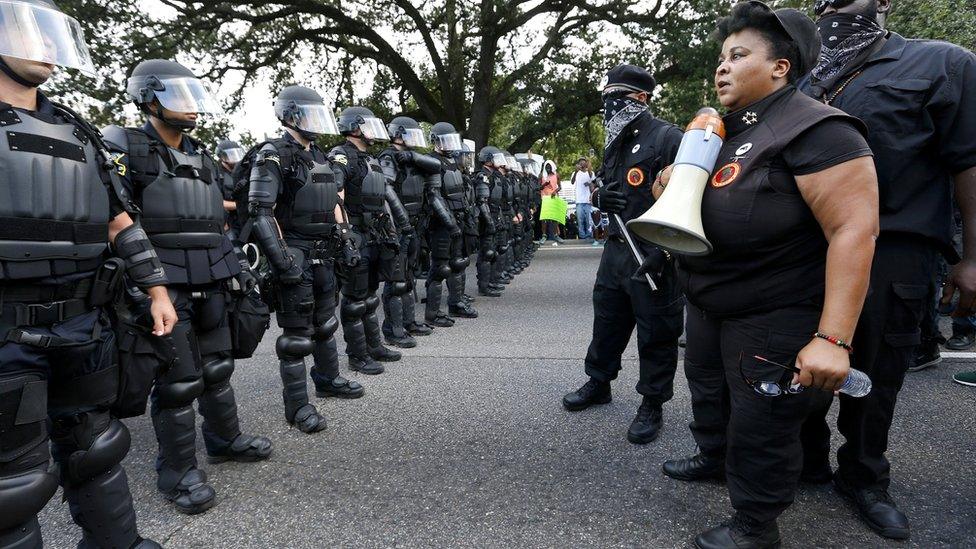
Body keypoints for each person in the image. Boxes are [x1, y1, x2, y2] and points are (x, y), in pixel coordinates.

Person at [661, 3, 879, 547]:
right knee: (710, 393)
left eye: (738, 56)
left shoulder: (819, 129)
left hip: (774, 312)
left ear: (780, 67)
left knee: (761, 422)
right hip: (713, 302)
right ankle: (715, 459)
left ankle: (756, 525)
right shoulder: (725, 133)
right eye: (720, 57)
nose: (721, 68)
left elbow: (854, 231)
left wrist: (833, 339)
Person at [798, 0, 976, 539]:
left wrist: (973, 259)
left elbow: (968, 161)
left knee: (877, 372)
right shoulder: (798, 73)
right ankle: (806, 460)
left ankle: (864, 475)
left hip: (896, 247)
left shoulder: (942, 63)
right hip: (805, 250)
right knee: (799, 361)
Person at [0, 2, 176, 545]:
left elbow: (119, 220)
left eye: (48, 37)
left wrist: (156, 289)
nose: (45, 49)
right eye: (26, 34)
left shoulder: (77, 131)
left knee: (96, 445)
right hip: (7, 333)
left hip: (84, 323)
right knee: (15, 483)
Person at [104, 59, 273, 515]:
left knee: (217, 367)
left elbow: (216, 216)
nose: (191, 107)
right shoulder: (125, 144)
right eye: (177, 96)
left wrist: (237, 266)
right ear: (148, 98)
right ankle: (177, 473)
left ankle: (224, 439)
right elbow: (115, 218)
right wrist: (146, 287)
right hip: (163, 278)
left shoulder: (200, 153)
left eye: (191, 95)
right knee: (179, 381)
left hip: (213, 273)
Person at [561, 64, 685, 446]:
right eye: (607, 98)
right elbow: (605, 188)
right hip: (616, 249)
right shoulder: (615, 140)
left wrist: (665, 253)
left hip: (651, 253)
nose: (610, 106)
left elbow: (687, 201)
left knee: (656, 331)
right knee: (608, 321)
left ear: (642, 99)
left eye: (618, 98)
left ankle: (652, 402)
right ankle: (599, 381)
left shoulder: (668, 138)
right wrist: (598, 198)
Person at [243, 85, 365, 435]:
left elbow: (334, 203)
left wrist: (345, 240)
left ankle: (328, 379)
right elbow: (261, 212)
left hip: (325, 252)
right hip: (295, 251)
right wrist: (283, 261)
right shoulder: (274, 153)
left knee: (326, 325)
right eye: (308, 114)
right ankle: (297, 408)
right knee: (296, 337)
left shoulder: (322, 156)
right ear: (291, 115)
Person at [330, 106, 405, 373]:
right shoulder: (340, 156)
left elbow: (382, 199)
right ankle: (357, 355)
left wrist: (392, 232)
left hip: (376, 234)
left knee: (371, 296)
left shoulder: (371, 159)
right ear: (355, 127)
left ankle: (375, 347)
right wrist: (345, 236)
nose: (374, 131)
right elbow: (335, 197)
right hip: (356, 234)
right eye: (369, 126)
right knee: (354, 301)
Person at [379, 117, 440, 345]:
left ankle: (408, 323)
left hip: (415, 225)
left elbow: (437, 166)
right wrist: (401, 224)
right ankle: (393, 330)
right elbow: (386, 191)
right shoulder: (387, 157)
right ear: (399, 134)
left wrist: (413, 156)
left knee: (409, 277)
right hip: (398, 227)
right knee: (396, 281)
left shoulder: (414, 158)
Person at [427, 122, 478, 321]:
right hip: (441, 223)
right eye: (445, 140)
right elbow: (434, 196)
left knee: (458, 263)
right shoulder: (432, 162)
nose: (449, 145)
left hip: (458, 219)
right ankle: (433, 314)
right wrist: (450, 223)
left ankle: (456, 303)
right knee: (440, 268)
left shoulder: (454, 164)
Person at [475, 147, 504, 297]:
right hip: (485, 217)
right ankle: (484, 286)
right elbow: (482, 201)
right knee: (486, 252)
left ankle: (490, 281)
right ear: (488, 159)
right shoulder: (483, 176)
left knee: (492, 250)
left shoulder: (493, 175)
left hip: (493, 214)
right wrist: (489, 222)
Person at [216, 139, 245, 240]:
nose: (235, 158)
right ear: (222, 157)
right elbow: (216, 202)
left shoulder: (243, 171)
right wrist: (241, 205)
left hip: (244, 220)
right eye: (230, 155)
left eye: (236, 154)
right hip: (228, 222)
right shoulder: (215, 173)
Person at [538, 161, 563, 244]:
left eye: (549, 167)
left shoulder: (556, 175)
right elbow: (538, 188)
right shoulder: (542, 175)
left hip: (553, 198)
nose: (548, 169)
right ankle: (544, 235)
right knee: (544, 218)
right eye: (546, 167)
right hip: (545, 198)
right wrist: (544, 184)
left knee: (554, 218)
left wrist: (555, 191)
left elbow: (560, 187)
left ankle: (556, 235)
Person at [572, 157, 596, 241]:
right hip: (579, 200)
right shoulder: (576, 173)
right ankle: (582, 235)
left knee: (588, 219)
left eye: (583, 162)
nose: (581, 163)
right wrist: (575, 171)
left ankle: (589, 234)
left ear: (586, 163)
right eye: (580, 162)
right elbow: (572, 182)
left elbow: (593, 181)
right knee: (580, 219)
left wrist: (589, 184)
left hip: (588, 200)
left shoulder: (590, 172)